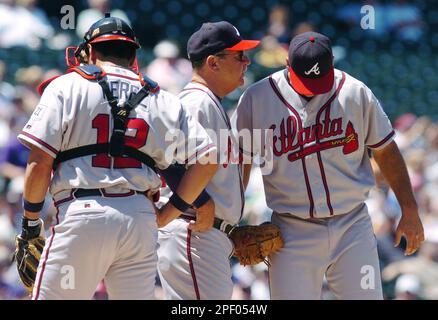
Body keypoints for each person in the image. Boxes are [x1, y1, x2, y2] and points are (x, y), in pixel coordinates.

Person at [16, 15, 218, 300]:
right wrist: (169, 212)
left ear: (92, 51)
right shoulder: (163, 98)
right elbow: (208, 160)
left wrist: (31, 222)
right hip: (139, 219)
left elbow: (39, 163)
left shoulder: (67, 85)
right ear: (133, 54)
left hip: (83, 211)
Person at [231, 31, 424, 299]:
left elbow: (386, 150)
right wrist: (233, 219)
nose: (312, 87)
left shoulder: (355, 92)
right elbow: (241, 162)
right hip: (291, 230)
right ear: (287, 62)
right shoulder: (256, 99)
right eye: (305, 81)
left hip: (352, 224)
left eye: (319, 79)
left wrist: (409, 208)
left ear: (332, 62)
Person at [157, 21, 260, 300]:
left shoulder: (209, 102)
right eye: (239, 56)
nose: (247, 61)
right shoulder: (195, 103)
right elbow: (164, 161)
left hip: (206, 236)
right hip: (194, 232)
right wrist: (197, 203)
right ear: (213, 63)